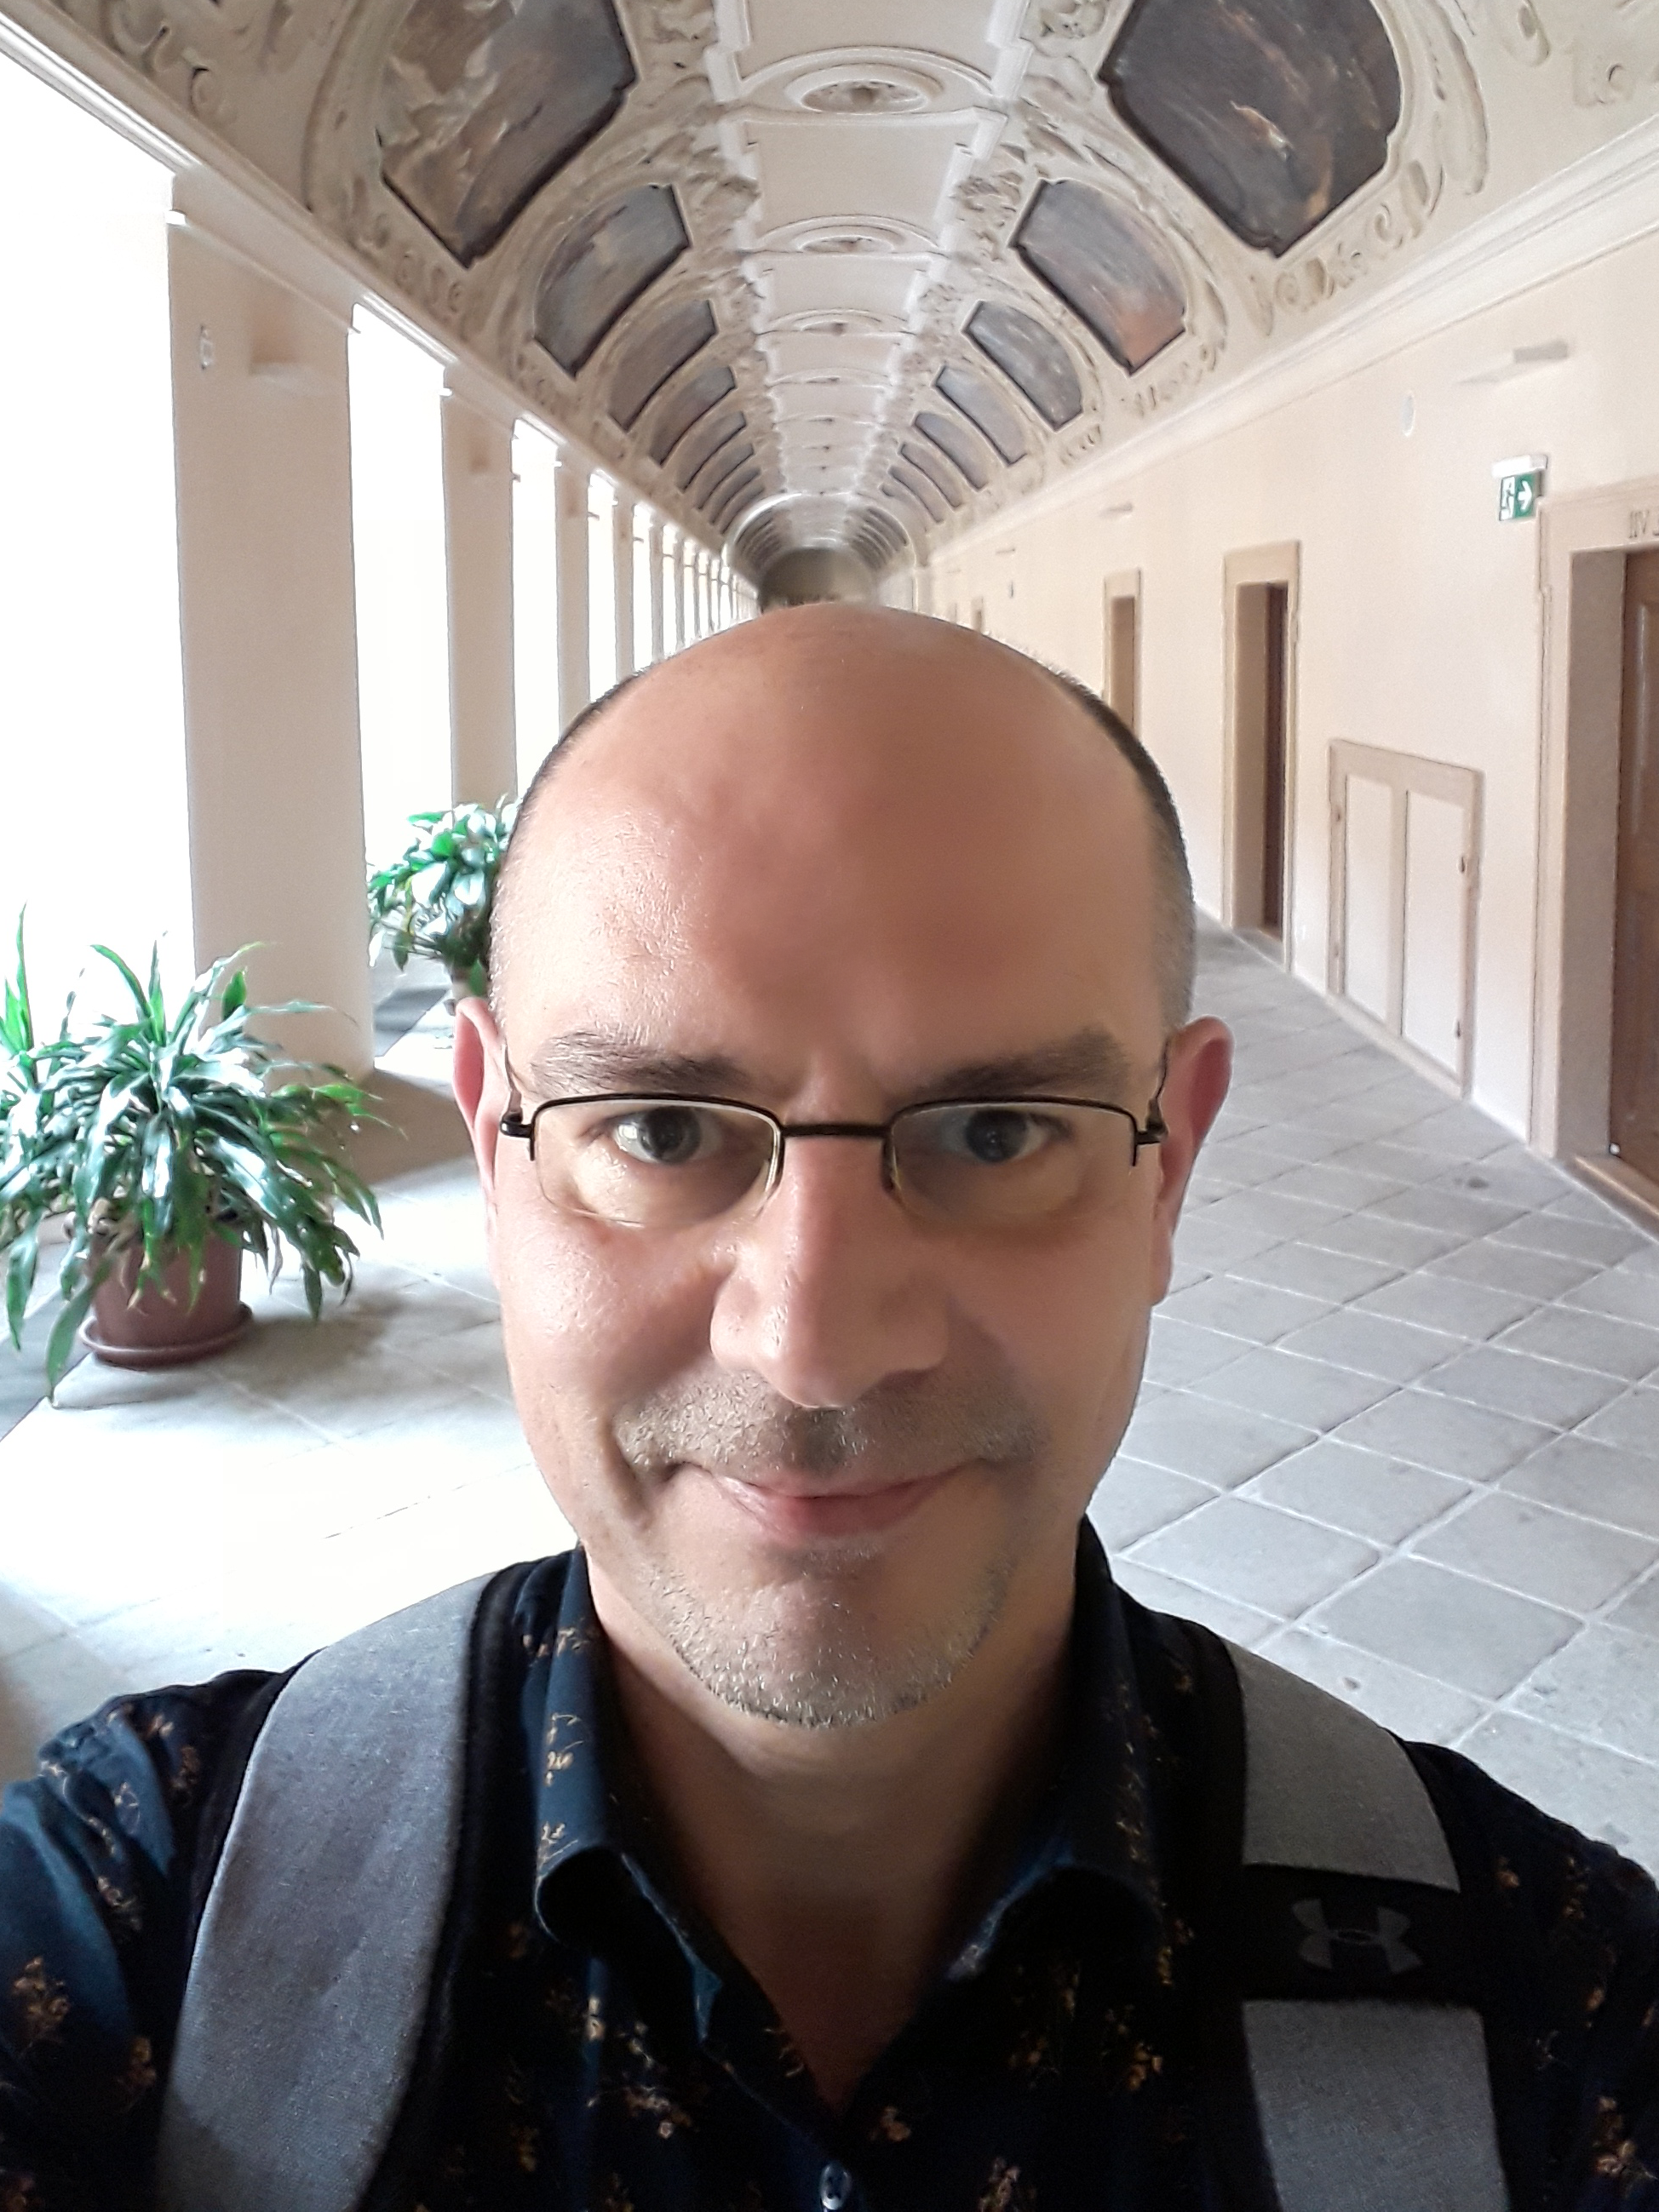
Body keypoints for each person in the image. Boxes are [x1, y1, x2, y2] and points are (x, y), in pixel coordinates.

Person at [1, 605, 1656, 2209]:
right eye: (660, 1129)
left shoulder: (1554, 2008)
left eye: (996, 1132)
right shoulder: (140, 1909)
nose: (812, 1348)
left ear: (1169, 1170)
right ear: (497, 1148)